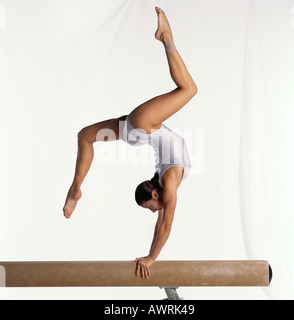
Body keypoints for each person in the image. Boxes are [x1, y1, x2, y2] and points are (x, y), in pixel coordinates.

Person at [63, 7, 197, 279]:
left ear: (155, 194)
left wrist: (151, 256)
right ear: (155, 193)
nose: (153, 212)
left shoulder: (167, 182)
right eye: (150, 208)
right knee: (85, 136)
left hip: (143, 128)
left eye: (148, 207)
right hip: (142, 128)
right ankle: (75, 188)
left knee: (188, 90)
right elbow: (165, 224)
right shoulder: (168, 182)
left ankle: (75, 188)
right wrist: (150, 256)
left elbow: (164, 224)